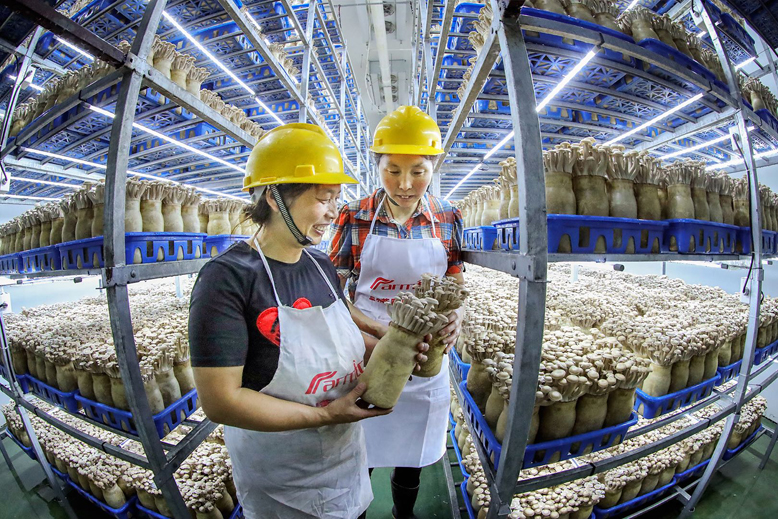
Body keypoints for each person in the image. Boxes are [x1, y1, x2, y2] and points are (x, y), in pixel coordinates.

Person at [189, 123, 425, 519]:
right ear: (274, 196)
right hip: (284, 481)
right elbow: (221, 401)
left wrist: (396, 348)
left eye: (336, 198)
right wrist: (323, 416)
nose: (334, 212)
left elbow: (340, 333)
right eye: (323, 199)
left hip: (344, 461)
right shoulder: (227, 279)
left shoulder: (318, 263)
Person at [329, 106, 465, 518]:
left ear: (434, 165)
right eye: (392, 170)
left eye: (418, 171)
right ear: (377, 166)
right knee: (362, 450)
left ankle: (403, 512)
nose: (405, 185)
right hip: (368, 350)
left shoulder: (448, 216)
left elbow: (455, 279)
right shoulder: (354, 214)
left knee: (413, 457)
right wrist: (383, 334)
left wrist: (457, 316)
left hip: (427, 356)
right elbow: (333, 295)